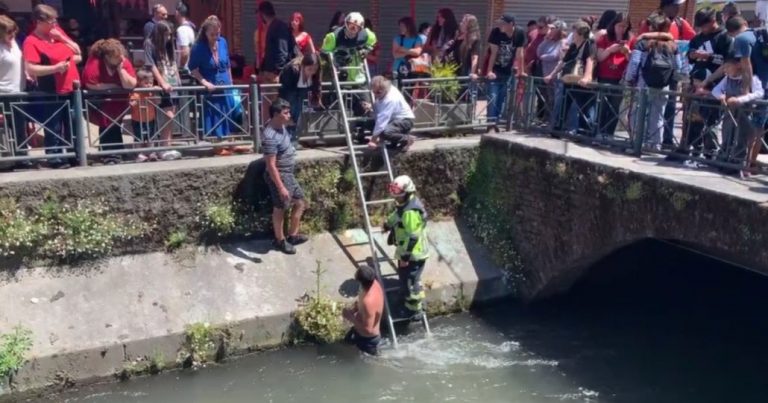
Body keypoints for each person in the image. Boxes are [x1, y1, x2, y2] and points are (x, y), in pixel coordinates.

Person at [23, 4, 82, 169]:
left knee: (73, 122)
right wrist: (55, 68)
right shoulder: (31, 41)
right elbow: (31, 68)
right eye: (51, 21)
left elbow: (78, 54)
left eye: (55, 21)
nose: (54, 24)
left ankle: (76, 155)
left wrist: (63, 39)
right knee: (54, 125)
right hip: (51, 89)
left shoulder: (57, 33)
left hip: (72, 88)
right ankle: (55, 158)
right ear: (39, 22)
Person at [674, 8, 732, 163]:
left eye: (703, 26)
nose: (701, 29)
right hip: (696, 81)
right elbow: (690, 56)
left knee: (711, 121)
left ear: (712, 22)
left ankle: (710, 152)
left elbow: (728, 62)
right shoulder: (697, 38)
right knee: (691, 118)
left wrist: (710, 56)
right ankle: (690, 147)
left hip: (715, 84)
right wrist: (693, 55)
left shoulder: (725, 37)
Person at [624, 13, 680, 150]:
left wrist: (629, 79)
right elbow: (678, 66)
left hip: (643, 84)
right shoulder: (673, 45)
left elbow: (634, 64)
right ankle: (654, 145)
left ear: (652, 26)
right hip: (663, 85)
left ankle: (636, 144)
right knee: (658, 114)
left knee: (638, 113)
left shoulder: (642, 43)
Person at [262, 98, 308, 255]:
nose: (289, 115)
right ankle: (279, 240)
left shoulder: (280, 125)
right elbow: (270, 165)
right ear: (276, 114)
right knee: (280, 208)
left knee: (300, 203)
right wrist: (280, 186)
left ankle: (293, 236)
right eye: (285, 112)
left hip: (288, 174)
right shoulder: (270, 136)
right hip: (280, 176)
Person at [82, 38, 137, 165]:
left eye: (121, 55)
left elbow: (130, 84)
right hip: (102, 101)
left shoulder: (122, 61)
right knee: (106, 125)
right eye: (116, 56)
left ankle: (117, 151)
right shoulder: (95, 62)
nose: (120, 58)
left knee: (116, 125)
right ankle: (110, 155)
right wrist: (113, 85)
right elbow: (91, 83)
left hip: (119, 101)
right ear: (107, 56)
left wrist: (120, 70)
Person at [383, 175, 429, 318]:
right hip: (411, 252)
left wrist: (405, 257)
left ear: (406, 192)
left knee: (410, 281)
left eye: (398, 193)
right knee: (409, 278)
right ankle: (413, 299)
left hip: (413, 254)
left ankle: (413, 309)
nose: (395, 196)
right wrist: (388, 224)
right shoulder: (407, 203)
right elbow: (398, 214)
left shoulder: (410, 212)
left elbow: (413, 236)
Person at [189, 16, 238, 150]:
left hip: (225, 84)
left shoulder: (223, 42)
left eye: (217, 33)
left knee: (228, 112)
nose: (215, 37)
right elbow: (192, 68)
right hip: (211, 86)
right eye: (212, 34)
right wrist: (204, 82)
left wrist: (231, 82)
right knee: (215, 115)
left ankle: (230, 143)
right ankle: (217, 146)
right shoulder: (198, 47)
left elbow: (227, 64)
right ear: (205, 32)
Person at [712, 56, 764, 178]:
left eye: (728, 67)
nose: (726, 70)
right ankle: (724, 160)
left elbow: (759, 93)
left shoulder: (752, 79)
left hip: (745, 114)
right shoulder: (727, 78)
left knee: (742, 139)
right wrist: (720, 96)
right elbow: (716, 90)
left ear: (738, 65)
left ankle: (737, 164)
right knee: (727, 135)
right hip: (730, 113)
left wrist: (740, 99)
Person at [545, 21, 597, 137]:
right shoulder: (573, 46)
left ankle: (586, 134)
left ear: (580, 33)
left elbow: (590, 60)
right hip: (570, 81)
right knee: (562, 105)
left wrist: (587, 77)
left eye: (573, 32)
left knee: (585, 108)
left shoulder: (589, 44)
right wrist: (551, 75)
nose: (572, 34)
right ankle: (557, 130)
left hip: (582, 82)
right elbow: (563, 62)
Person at [143, 20, 181, 161]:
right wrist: (162, 82)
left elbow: (173, 62)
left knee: (172, 115)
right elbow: (151, 65)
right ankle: (163, 147)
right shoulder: (150, 44)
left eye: (170, 35)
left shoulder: (169, 45)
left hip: (172, 82)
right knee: (167, 115)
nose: (168, 38)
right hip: (162, 84)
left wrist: (178, 78)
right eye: (166, 35)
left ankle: (167, 145)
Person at [485, 13, 526, 130]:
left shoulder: (519, 33)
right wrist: (489, 71)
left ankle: (496, 122)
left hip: (507, 71)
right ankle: (491, 124)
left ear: (511, 24)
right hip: (496, 69)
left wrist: (521, 72)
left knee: (501, 98)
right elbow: (493, 53)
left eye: (503, 23)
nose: (500, 25)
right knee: (493, 96)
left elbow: (520, 54)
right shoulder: (496, 32)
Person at [596, 12, 632, 138]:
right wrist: (610, 49)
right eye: (620, 25)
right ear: (614, 25)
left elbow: (633, 61)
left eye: (625, 26)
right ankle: (599, 133)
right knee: (602, 105)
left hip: (620, 77)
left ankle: (609, 134)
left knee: (614, 107)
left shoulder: (630, 39)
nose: (622, 29)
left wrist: (627, 52)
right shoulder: (605, 38)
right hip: (604, 75)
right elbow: (599, 57)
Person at [0, 15, 28, 169]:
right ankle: (4, 161)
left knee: (19, 128)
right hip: (3, 93)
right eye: (9, 32)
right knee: (3, 130)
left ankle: (22, 159)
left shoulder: (14, 44)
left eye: (14, 32)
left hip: (18, 92)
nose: (13, 35)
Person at [321, 12, 377, 83]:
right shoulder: (334, 37)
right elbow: (324, 52)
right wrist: (336, 57)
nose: (353, 29)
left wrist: (365, 50)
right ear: (346, 23)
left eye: (356, 27)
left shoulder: (365, 35)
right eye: (351, 26)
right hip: (337, 76)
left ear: (360, 28)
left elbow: (373, 40)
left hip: (358, 77)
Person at [278, 52, 321, 143]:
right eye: (309, 69)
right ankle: (285, 141)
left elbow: (317, 84)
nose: (312, 72)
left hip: (300, 92)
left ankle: (292, 141)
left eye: (315, 69)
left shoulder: (315, 73)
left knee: (296, 115)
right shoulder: (292, 70)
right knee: (289, 115)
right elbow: (286, 91)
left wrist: (317, 97)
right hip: (289, 92)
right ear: (303, 65)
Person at [342, 265, 384, 356]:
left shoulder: (368, 301)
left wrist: (350, 317)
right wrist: (356, 308)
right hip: (359, 332)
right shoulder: (374, 283)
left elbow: (368, 329)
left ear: (359, 281)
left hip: (368, 340)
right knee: (345, 344)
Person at [365, 75, 415, 151]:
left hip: (404, 120)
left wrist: (373, 139)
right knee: (369, 124)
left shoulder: (390, 98)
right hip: (394, 119)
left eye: (378, 92)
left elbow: (382, 119)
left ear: (384, 89)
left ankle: (407, 139)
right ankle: (394, 142)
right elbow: (380, 104)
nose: (375, 95)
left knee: (385, 132)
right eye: (373, 92)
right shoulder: (386, 92)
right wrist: (372, 106)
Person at [536, 20, 568, 126]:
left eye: (552, 29)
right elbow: (539, 52)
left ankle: (554, 122)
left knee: (555, 99)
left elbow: (556, 56)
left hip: (555, 75)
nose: (550, 30)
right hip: (546, 74)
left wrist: (544, 57)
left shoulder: (563, 42)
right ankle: (547, 119)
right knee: (548, 98)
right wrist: (545, 40)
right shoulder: (549, 40)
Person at [258, 1, 296, 85]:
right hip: (269, 73)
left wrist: (277, 72)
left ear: (262, 15)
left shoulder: (279, 27)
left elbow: (282, 52)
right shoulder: (273, 27)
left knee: (274, 97)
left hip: (275, 75)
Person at [129, 70, 158, 162]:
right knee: (139, 137)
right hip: (138, 119)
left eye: (150, 83)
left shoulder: (151, 92)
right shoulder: (136, 92)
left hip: (150, 118)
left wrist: (156, 91)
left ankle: (151, 152)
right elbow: (132, 103)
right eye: (146, 83)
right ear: (139, 82)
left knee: (151, 136)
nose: (149, 85)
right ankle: (139, 154)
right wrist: (135, 101)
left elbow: (157, 101)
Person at [445, 14, 481, 79]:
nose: (461, 23)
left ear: (469, 26)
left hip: (466, 69)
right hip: (454, 68)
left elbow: (474, 57)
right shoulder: (458, 35)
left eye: (463, 22)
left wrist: (472, 73)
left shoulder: (474, 40)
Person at [175, 2, 195, 69]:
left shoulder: (182, 30)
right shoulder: (191, 27)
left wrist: (181, 67)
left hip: (185, 69)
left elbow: (185, 52)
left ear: (177, 13)